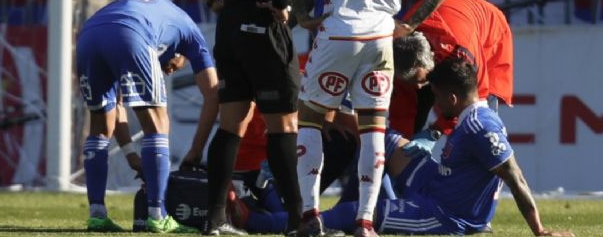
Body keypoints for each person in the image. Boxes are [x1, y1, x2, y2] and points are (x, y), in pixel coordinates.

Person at [284, 0, 457, 237]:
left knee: (310, 118)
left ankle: (310, 216)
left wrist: (301, 11)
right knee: (374, 130)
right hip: (382, 39)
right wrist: (409, 24)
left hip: (339, 32)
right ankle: (365, 222)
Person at [229, 59, 575, 237]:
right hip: (437, 181)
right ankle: (301, 192)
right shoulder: (472, 117)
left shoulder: (479, 127)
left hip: (444, 213)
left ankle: (260, 219)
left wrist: (540, 230)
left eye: (437, 97)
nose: (435, 104)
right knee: (384, 139)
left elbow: (514, 176)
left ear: (452, 97)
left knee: (354, 213)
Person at [174, 0, 308, 235]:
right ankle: (298, 221)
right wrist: (282, 2)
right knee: (283, 125)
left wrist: (211, 0)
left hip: (230, 28)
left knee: (232, 123)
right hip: (265, 28)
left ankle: (214, 218)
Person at [76, 0, 218, 233]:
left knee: (100, 126)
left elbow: (118, 104)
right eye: (171, 67)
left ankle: (97, 215)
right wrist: (195, 151)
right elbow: (213, 94)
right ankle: (157, 215)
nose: (168, 72)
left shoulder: (160, 18)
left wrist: (132, 156)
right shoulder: (192, 36)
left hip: (89, 36)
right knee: (158, 123)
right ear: (180, 53)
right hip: (131, 33)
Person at [391, 0, 514, 141]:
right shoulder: (398, 51)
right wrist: (397, 143)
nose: (418, 87)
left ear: (432, 60)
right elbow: (402, 108)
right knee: (415, 101)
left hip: (487, 30)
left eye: (421, 80)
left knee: (478, 125)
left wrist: (435, 132)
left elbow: (473, 99)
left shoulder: (463, 52)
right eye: (411, 81)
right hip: (445, 22)